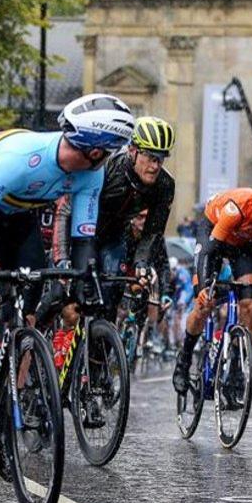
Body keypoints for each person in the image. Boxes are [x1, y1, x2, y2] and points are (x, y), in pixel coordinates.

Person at [0, 93, 135, 401]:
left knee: (28, 309)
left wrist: (86, 279)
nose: (110, 158)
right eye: (110, 151)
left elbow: (83, 238)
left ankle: (7, 402)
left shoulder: (91, 174)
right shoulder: (19, 161)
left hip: (19, 212)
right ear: (95, 150)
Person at [48, 116, 176, 357]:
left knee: (109, 299)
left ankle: (96, 372)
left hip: (114, 237)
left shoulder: (165, 185)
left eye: (161, 159)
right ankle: (41, 344)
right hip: (79, 232)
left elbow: (153, 232)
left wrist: (141, 263)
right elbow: (66, 209)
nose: (155, 166)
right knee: (66, 298)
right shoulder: (107, 168)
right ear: (133, 151)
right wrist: (62, 258)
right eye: (150, 157)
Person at [171, 170, 252, 396]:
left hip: (245, 243)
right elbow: (209, 252)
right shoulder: (237, 208)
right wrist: (203, 288)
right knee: (203, 304)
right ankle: (185, 358)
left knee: (251, 305)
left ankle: (236, 370)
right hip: (214, 233)